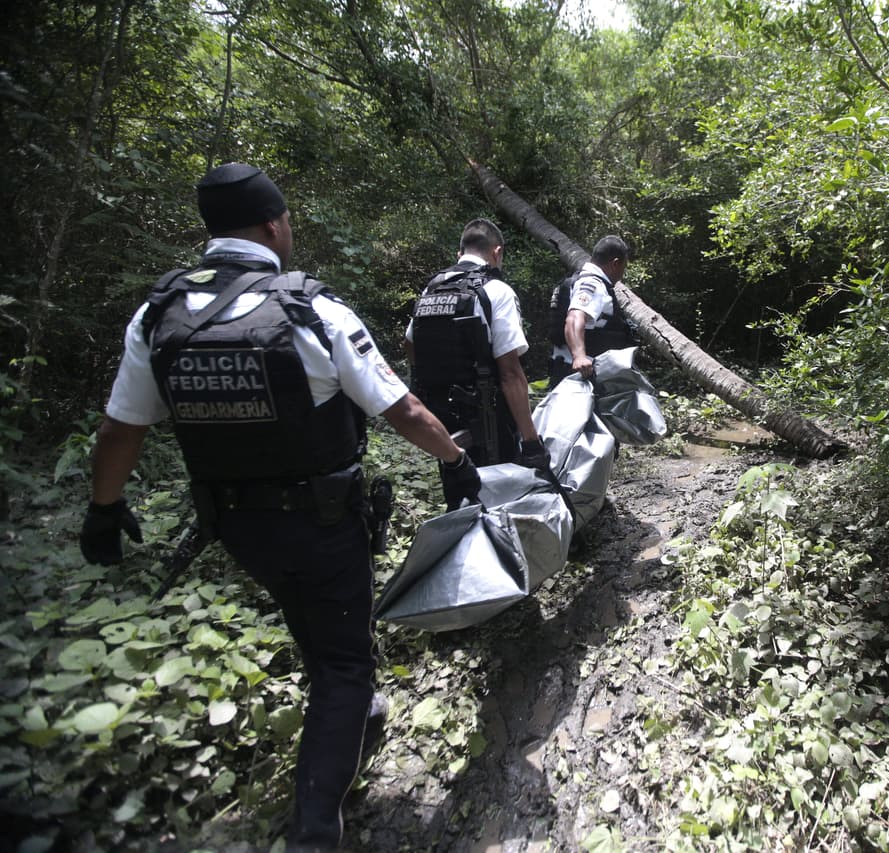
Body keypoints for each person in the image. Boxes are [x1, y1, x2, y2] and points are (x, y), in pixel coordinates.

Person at [78, 163, 481, 851]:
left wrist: (103, 508)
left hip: (236, 527)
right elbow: (403, 409)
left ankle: (354, 718)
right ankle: (315, 828)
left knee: (317, 631)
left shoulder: (159, 315)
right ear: (273, 224)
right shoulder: (309, 309)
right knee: (346, 664)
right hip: (321, 523)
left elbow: (121, 428)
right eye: (287, 220)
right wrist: (458, 460)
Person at [404, 218, 550, 472]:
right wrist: (531, 441)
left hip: (443, 421)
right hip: (490, 421)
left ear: (459, 253)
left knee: (459, 491)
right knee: (501, 501)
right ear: (497, 252)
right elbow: (510, 373)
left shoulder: (432, 289)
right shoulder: (496, 290)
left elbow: (409, 343)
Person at [547, 235, 636, 387]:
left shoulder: (582, 279)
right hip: (580, 377)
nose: (622, 274)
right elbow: (574, 318)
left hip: (570, 373)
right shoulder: (593, 284)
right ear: (615, 264)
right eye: (623, 267)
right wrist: (579, 356)